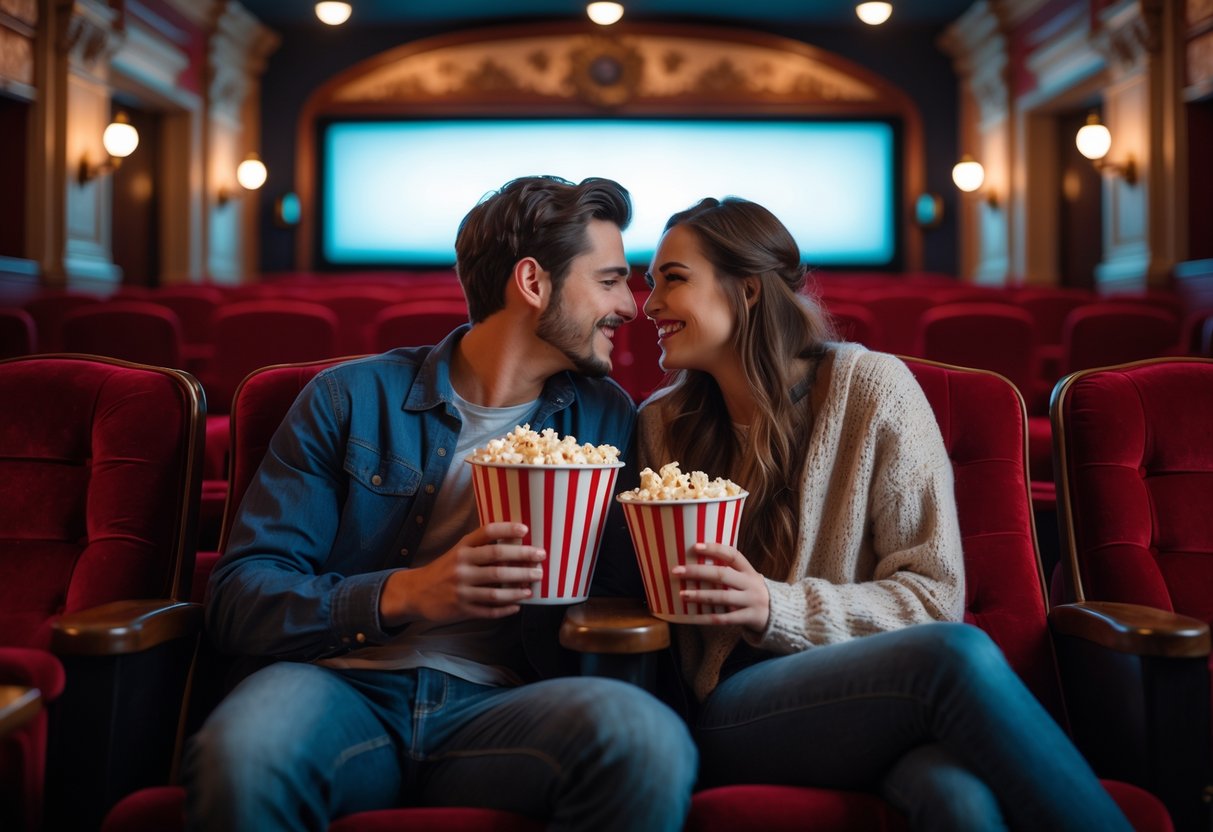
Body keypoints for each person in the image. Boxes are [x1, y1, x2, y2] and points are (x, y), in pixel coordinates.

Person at [185, 176, 697, 832]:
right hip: (336, 690)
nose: (630, 306)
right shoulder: (347, 399)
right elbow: (239, 599)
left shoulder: (606, 417)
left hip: (504, 709)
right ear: (533, 283)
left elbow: (618, 593)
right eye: (609, 280)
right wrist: (407, 594)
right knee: (246, 753)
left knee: (643, 740)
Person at [636, 196, 1132, 831]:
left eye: (671, 280)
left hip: (874, 700)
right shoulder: (662, 425)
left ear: (748, 291)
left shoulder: (872, 389)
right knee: (952, 656)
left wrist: (773, 606)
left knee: (958, 799)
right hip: (737, 708)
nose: (648, 304)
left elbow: (932, 598)